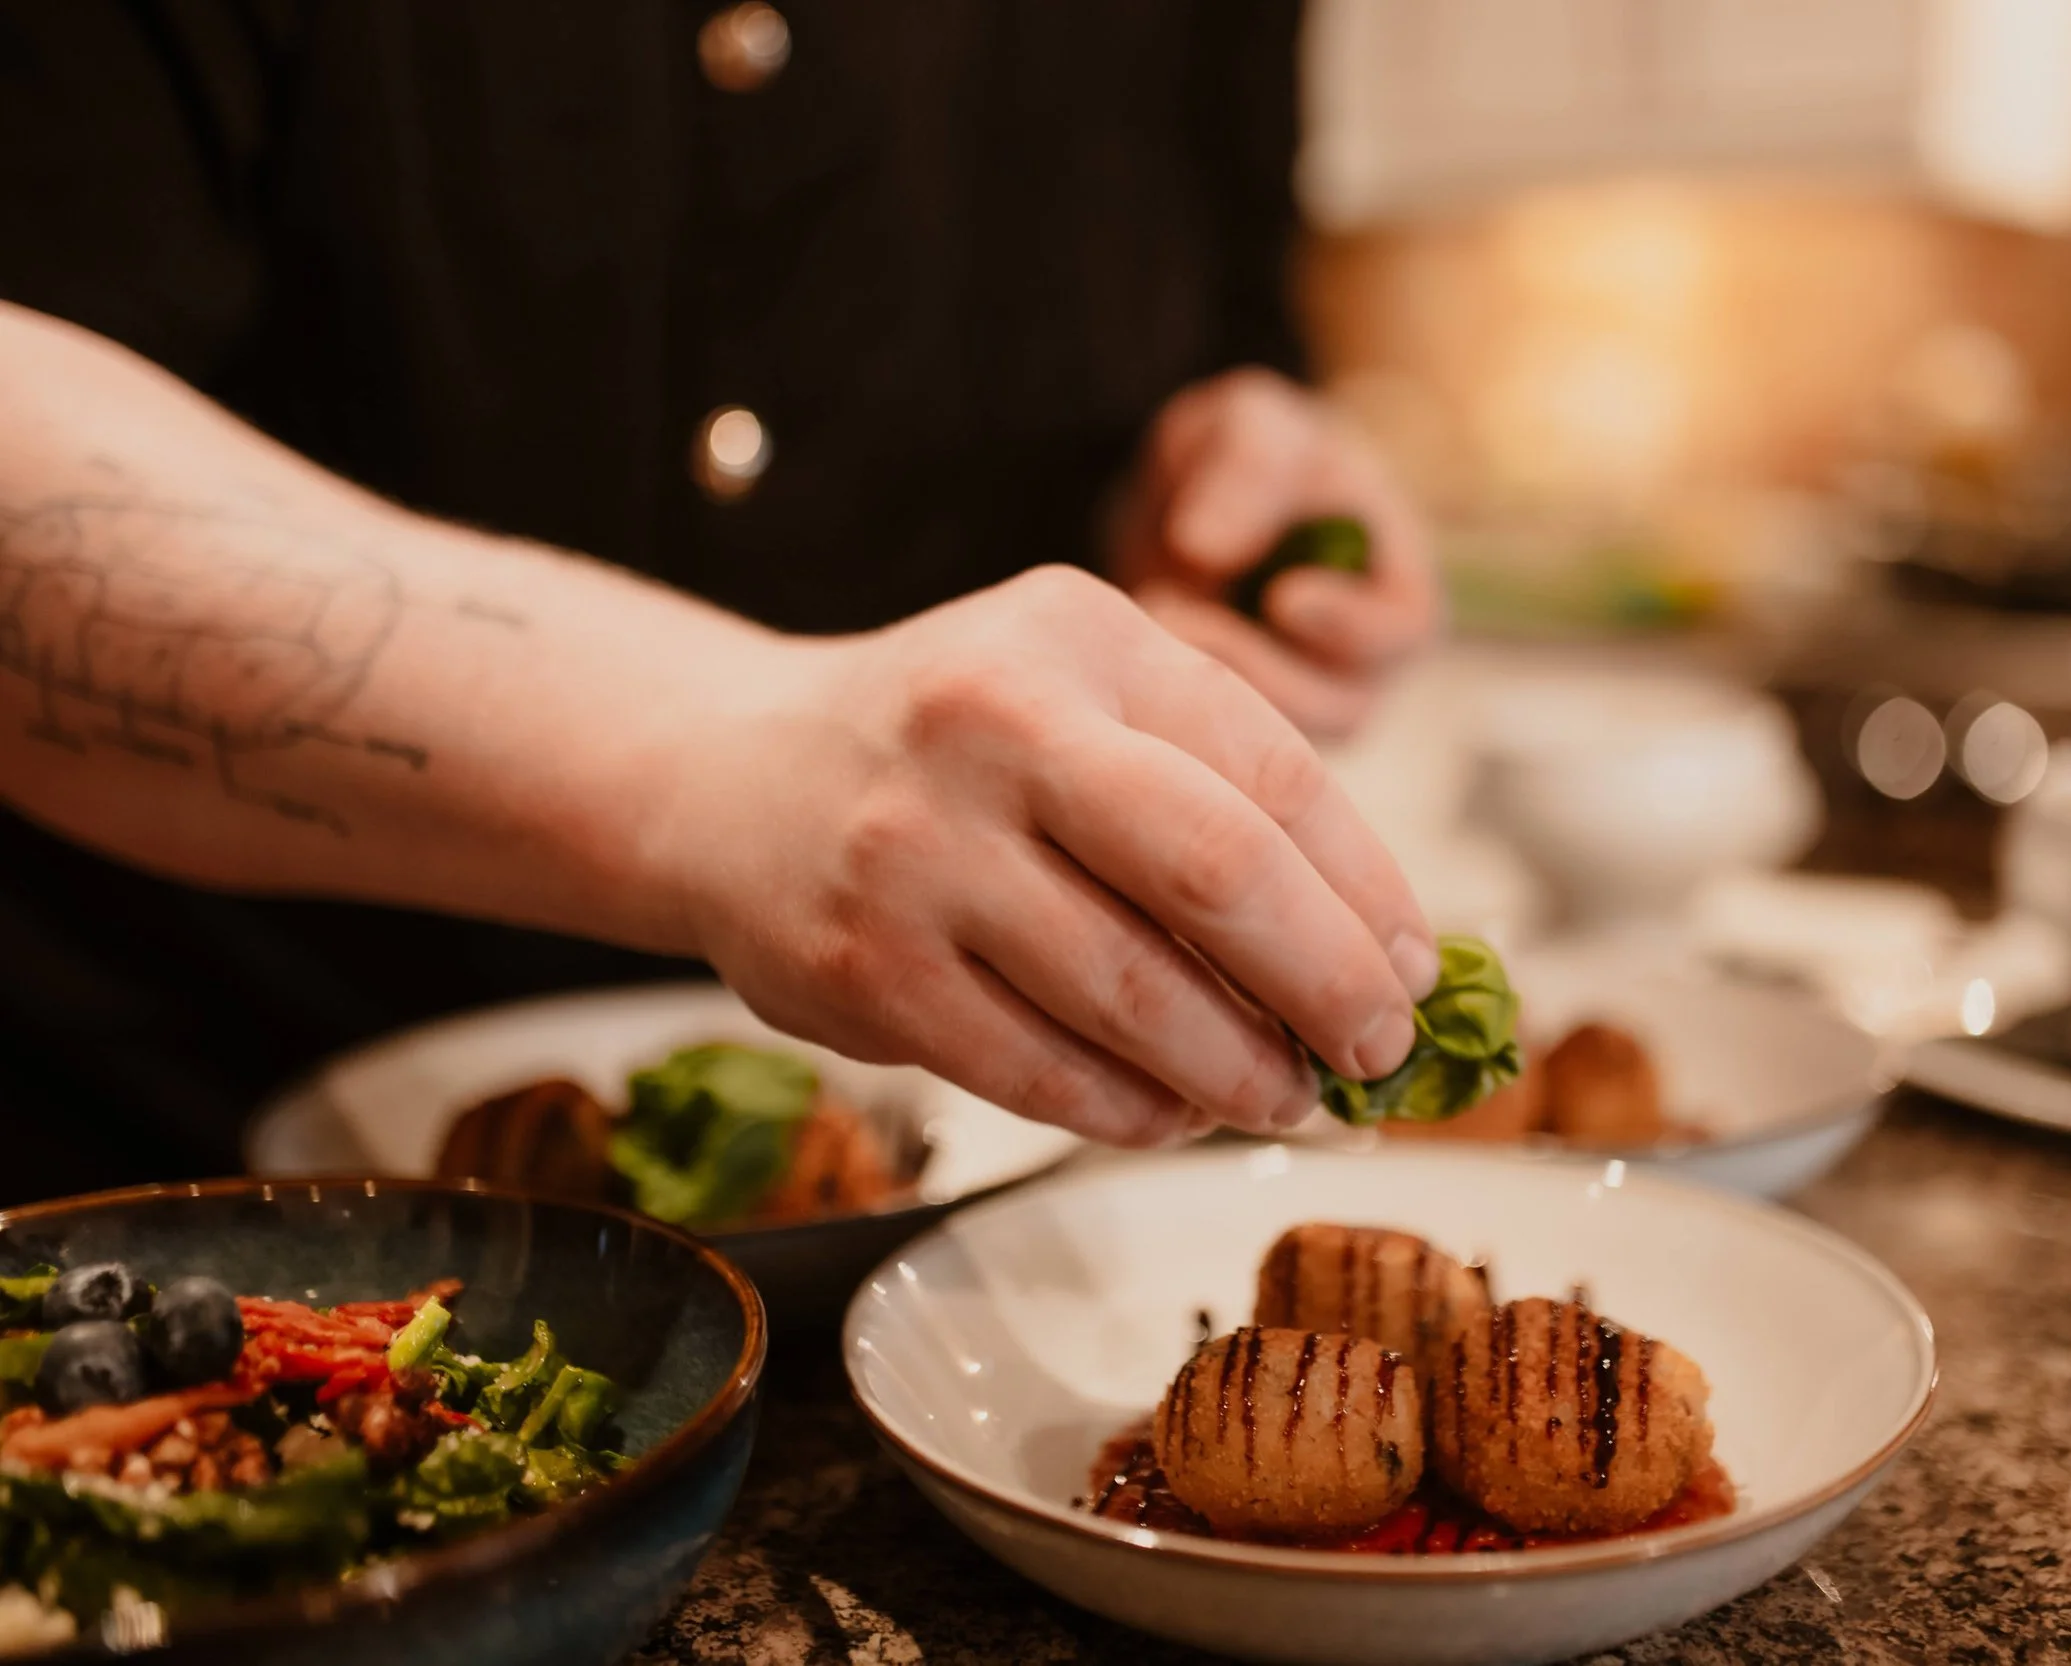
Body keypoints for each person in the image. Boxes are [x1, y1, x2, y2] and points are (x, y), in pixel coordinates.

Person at [0, 3, 1443, 1198]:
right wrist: (736, 751)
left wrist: (1213, 483)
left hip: (984, 1200)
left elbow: (1213, 300)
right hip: (199, 1176)